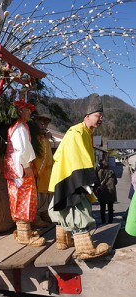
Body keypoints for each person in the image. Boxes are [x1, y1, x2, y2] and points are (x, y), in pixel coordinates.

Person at [48, 93, 110, 260]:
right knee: (78, 207)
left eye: (102, 116)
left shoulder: (85, 133)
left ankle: (63, 241)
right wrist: (90, 180)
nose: (101, 119)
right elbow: (78, 159)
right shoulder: (77, 132)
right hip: (72, 176)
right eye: (98, 115)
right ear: (87, 116)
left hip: (64, 174)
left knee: (63, 208)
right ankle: (85, 250)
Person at [4, 98, 45, 247]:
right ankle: (24, 234)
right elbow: (20, 149)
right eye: (27, 110)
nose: (29, 113)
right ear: (20, 111)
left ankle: (23, 231)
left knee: (20, 197)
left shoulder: (19, 126)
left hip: (16, 167)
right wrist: (26, 166)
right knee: (23, 198)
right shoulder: (20, 127)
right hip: (20, 168)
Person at [31, 115, 54, 227]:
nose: (44, 126)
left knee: (46, 193)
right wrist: (45, 139)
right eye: (41, 123)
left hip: (46, 171)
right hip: (37, 170)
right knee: (38, 194)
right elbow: (40, 156)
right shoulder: (35, 138)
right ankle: (36, 216)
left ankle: (45, 213)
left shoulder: (45, 138)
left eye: (45, 124)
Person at [96, 159, 118, 224]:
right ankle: (110, 221)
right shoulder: (111, 172)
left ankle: (103, 221)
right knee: (110, 209)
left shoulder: (98, 172)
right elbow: (115, 182)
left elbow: (96, 182)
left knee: (102, 209)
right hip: (111, 193)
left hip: (102, 193)